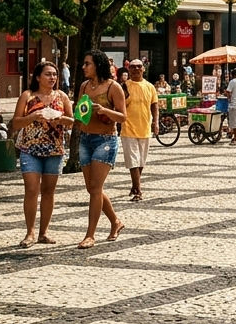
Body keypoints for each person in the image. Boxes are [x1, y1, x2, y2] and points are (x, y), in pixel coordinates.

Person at [9, 61, 71, 247]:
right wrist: (31, 118)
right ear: (38, 77)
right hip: (30, 149)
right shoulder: (27, 96)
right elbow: (15, 123)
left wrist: (60, 120)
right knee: (31, 189)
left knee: (48, 192)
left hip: (54, 149)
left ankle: (44, 232)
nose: (52, 78)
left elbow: (73, 121)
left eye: (54, 74)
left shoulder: (61, 96)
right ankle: (30, 232)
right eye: (48, 74)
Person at [75, 50, 126, 249]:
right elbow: (80, 111)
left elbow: (123, 117)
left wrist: (105, 111)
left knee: (95, 187)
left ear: (98, 64)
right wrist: (77, 116)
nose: (83, 67)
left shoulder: (114, 87)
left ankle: (90, 235)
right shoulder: (84, 86)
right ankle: (115, 221)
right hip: (86, 139)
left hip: (105, 140)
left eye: (87, 63)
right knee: (92, 188)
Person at [122, 60, 159, 201]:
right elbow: (119, 105)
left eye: (139, 67)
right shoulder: (124, 86)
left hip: (145, 128)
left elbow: (154, 106)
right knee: (133, 161)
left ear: (143, 69)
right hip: (128, 129)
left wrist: (155, 123)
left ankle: (134, 185)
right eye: (132, 67)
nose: (136, 69)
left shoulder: (150, 87)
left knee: (141, 161)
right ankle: (138, 191)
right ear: (128, 69)